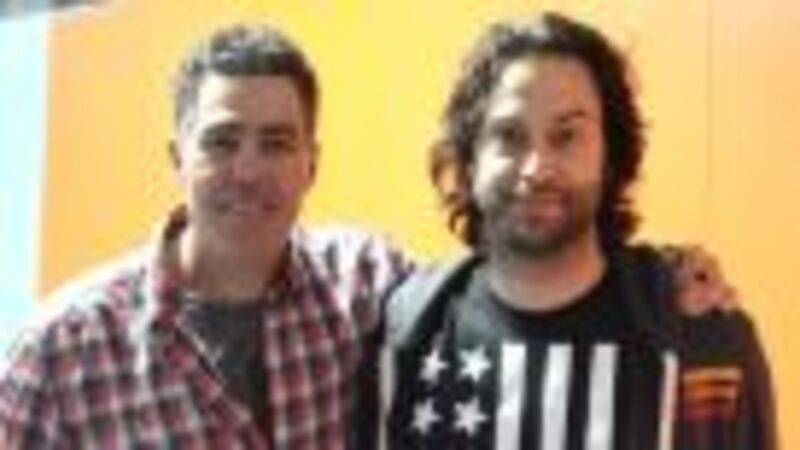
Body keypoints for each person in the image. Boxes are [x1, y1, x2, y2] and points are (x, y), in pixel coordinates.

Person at [0, 20, 739, 450]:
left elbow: (515, 268)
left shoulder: (368, 284)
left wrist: (661, 271)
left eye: (277, 142)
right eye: (222, 142)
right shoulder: (58, 353)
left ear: (312, 163)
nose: (249, 171)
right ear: (176, 157)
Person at [379, 12, 775, 450]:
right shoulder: (405, 336)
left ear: (610, 156)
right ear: (470, 159)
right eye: (509, 135)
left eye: (566, 136)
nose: (536, 168)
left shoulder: (704, 344)